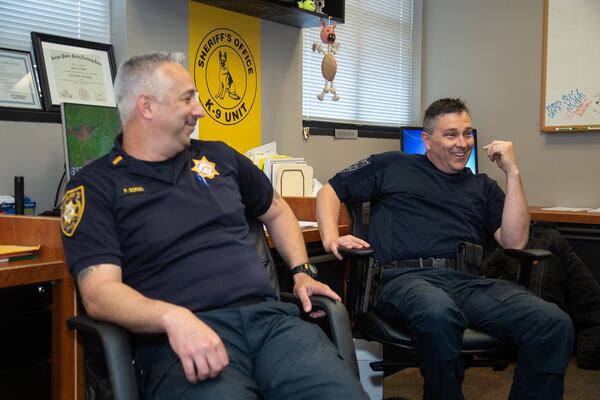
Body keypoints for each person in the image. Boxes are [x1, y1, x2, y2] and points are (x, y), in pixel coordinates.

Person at [60, 52, 368, 400]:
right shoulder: (96, 186)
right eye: (187, 98)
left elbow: (278, 210)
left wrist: (301, 270)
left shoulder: (219, 157)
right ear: (146, 106)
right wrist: (172, 319)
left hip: (272, 324)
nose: (200, 110)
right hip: (183, 337)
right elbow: (99, 294)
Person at [316, 98, 574, 399]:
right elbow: (329, 190)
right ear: (426, 140)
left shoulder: (482, 186)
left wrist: (512, 173)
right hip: (402, 279)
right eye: (451, 134)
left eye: (467, 134)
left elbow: (514, 241)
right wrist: (331, 238)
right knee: (438, 311)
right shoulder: (392, 165)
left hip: (466, 283)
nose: (462, 143)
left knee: (553, 323)